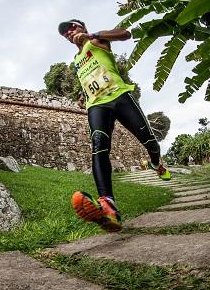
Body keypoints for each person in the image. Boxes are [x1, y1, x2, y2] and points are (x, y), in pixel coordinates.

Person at [58, 19, 171, 232]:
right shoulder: (76, 60)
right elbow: (90, 77)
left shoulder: (97, 40)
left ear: (82, 26)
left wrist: (90, 37)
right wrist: (83, 96)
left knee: (149, 141)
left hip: (120, 97)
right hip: (97, 105)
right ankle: (108, 207)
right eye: (65, 32)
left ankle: (156, 163)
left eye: (72, 27)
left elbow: (125, 34)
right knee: (99, 144)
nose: (69, 32)